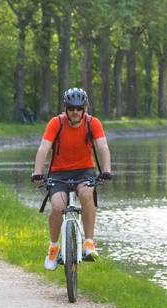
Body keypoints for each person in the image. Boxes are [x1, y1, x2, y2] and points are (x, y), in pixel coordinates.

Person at [31, 87, 112, 270]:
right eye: (71, 108)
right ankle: (54, 247)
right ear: (65, 108)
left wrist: (106, 170)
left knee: (85, 194)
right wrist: (37, 172)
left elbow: (103, 147)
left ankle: (89, 242)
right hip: (59, 172)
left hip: (85, 171)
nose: (75, 112)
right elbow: (43, 149)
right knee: (58, 206)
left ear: (85, 109)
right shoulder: (55, 123)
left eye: (79, 109)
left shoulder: (93, 123)